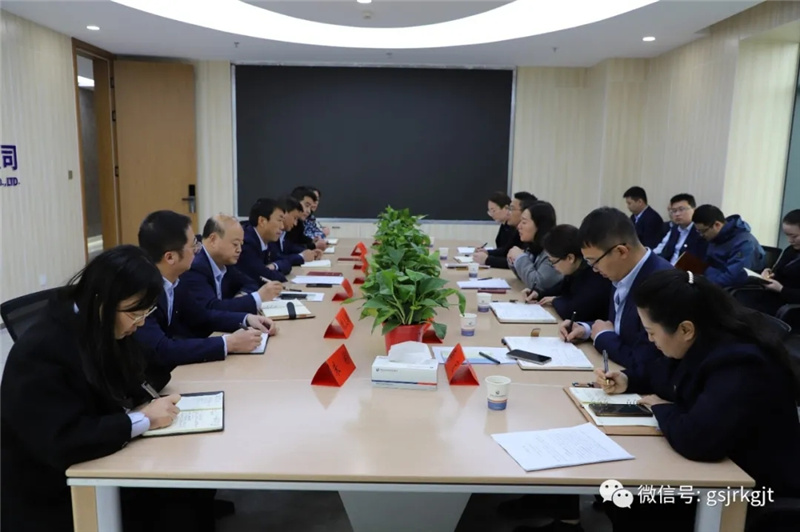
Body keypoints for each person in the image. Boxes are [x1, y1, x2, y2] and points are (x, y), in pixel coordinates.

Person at [1, 246, 218, 532]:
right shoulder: (41, 351)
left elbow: (144, 369)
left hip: (95, 453)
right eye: (135, 314)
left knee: (191, 474)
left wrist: (145, 402)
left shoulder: (100, 323)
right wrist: (144, 419)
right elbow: (65, 440)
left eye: (146, 313)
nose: (140, 323)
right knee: (177, 499)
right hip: (53, 492)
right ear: (102, 301)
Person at [598, 269, 800, 532]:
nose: (650, 340)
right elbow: (661, 374)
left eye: (651, 332)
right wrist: (627, 379)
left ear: (685, 329)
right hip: (723, 467)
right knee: (622, 494)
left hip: (752, 490)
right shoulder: (703, 339)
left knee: (632, 498)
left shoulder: (740, 363)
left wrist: (661, 408)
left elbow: (696, 440)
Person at [134, 210, 275, 367]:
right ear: (170, 257)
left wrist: (247, 319)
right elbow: (162, 349)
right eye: (193, 245)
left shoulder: (175, 281)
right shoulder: (141, 292)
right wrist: (229, 343)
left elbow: (202, 315)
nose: (198, 249)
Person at [559, 207, 672, 378]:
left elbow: (644, 362)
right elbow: (618, 326)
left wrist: (603, 337)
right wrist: (587, 329)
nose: (594, 269)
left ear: (621, 251)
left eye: (594, 262)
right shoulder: (622, 270)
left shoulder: (661, 285)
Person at [178, 214, 283, 313]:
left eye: (241, 245)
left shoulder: (225, 263)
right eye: (235, 244)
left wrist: (241, 296)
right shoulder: (195, 266)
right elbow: (211, 308)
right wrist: (258, 297)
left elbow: (250, 283)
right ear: (213, 240)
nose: (239, 250)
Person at [535, 224, 612, 322]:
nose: (553, 266)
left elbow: (573, 312)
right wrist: (538, 293)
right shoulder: (576, 270)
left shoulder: (594, 276)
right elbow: (560, 288)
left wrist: (555, 300)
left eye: (553, 261)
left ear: (570, 258)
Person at [735, 209, 800, 323]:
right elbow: (778, 271)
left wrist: (782, 289)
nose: (790, 240)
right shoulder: (791, 250)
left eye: (794, 236)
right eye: (787, 235)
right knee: (735, 302)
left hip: (790, 307)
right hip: (773, 297)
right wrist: (768, 273)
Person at [692, 204, 765, 288]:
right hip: (712, 283)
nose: (701, 235)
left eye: (703, 231)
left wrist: (704, 284)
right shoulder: (715, 238)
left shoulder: (745, 243)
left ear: (717, 225)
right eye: (698, 231)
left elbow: (734, 277)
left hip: (730, 289)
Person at [507, 200, 563, 298]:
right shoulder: (533, 247)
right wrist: (513, 260)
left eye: (524, 222)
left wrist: (520, 258)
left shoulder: (552, 252)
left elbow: (537, 284)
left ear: (540, 226)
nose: (519, 226)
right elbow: (525, 277)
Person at [474, 191, 536, 269]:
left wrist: (487, 259)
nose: (509, 213)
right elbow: (506, 251)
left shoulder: (532, 238)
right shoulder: (516, 230)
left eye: (511, 209)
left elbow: (519, 263)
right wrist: (487, 253)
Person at [238, 197, 290, 284]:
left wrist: (274, 266)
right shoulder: (246, 243)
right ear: (262, 221)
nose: (282, 227)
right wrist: (270, 272)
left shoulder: (268, 240)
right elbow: (265, 276)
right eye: (279, 220)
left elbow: (286, 262)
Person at [268, 195, 322, 275]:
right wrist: (302, 256)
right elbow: (276, 258)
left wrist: (308, 252)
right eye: (295, 218)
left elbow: (290, 247)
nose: (295, 223)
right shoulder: (270, 233)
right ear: (285, 213)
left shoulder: (283, 232)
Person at [652, 193, 708, 266]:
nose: (677, 214)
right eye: (674, 211)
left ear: (694, 210)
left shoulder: (700, 231)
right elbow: (662, 250)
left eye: (681, 209)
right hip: (667, 268)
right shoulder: (674, 229)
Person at [287, 186, 327, 251]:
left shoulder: (299, 223)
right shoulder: (286, 223)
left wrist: (312, 241)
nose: (309, 211)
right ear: (295, 203)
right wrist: (314, 245)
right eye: (306, 205)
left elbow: (300, 238)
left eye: (310, 207)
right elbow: (288, 248)